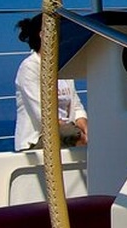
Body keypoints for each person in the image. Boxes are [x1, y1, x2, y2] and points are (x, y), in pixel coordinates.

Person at [13, 13, 88, 151]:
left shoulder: (63, 66)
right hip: (38, 140)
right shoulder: (30, 67)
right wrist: (79, 134)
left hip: (68, 132)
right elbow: (44, 115)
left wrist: (85, 128)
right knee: (79, 137)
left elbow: (76, 107)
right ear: (43, 35)